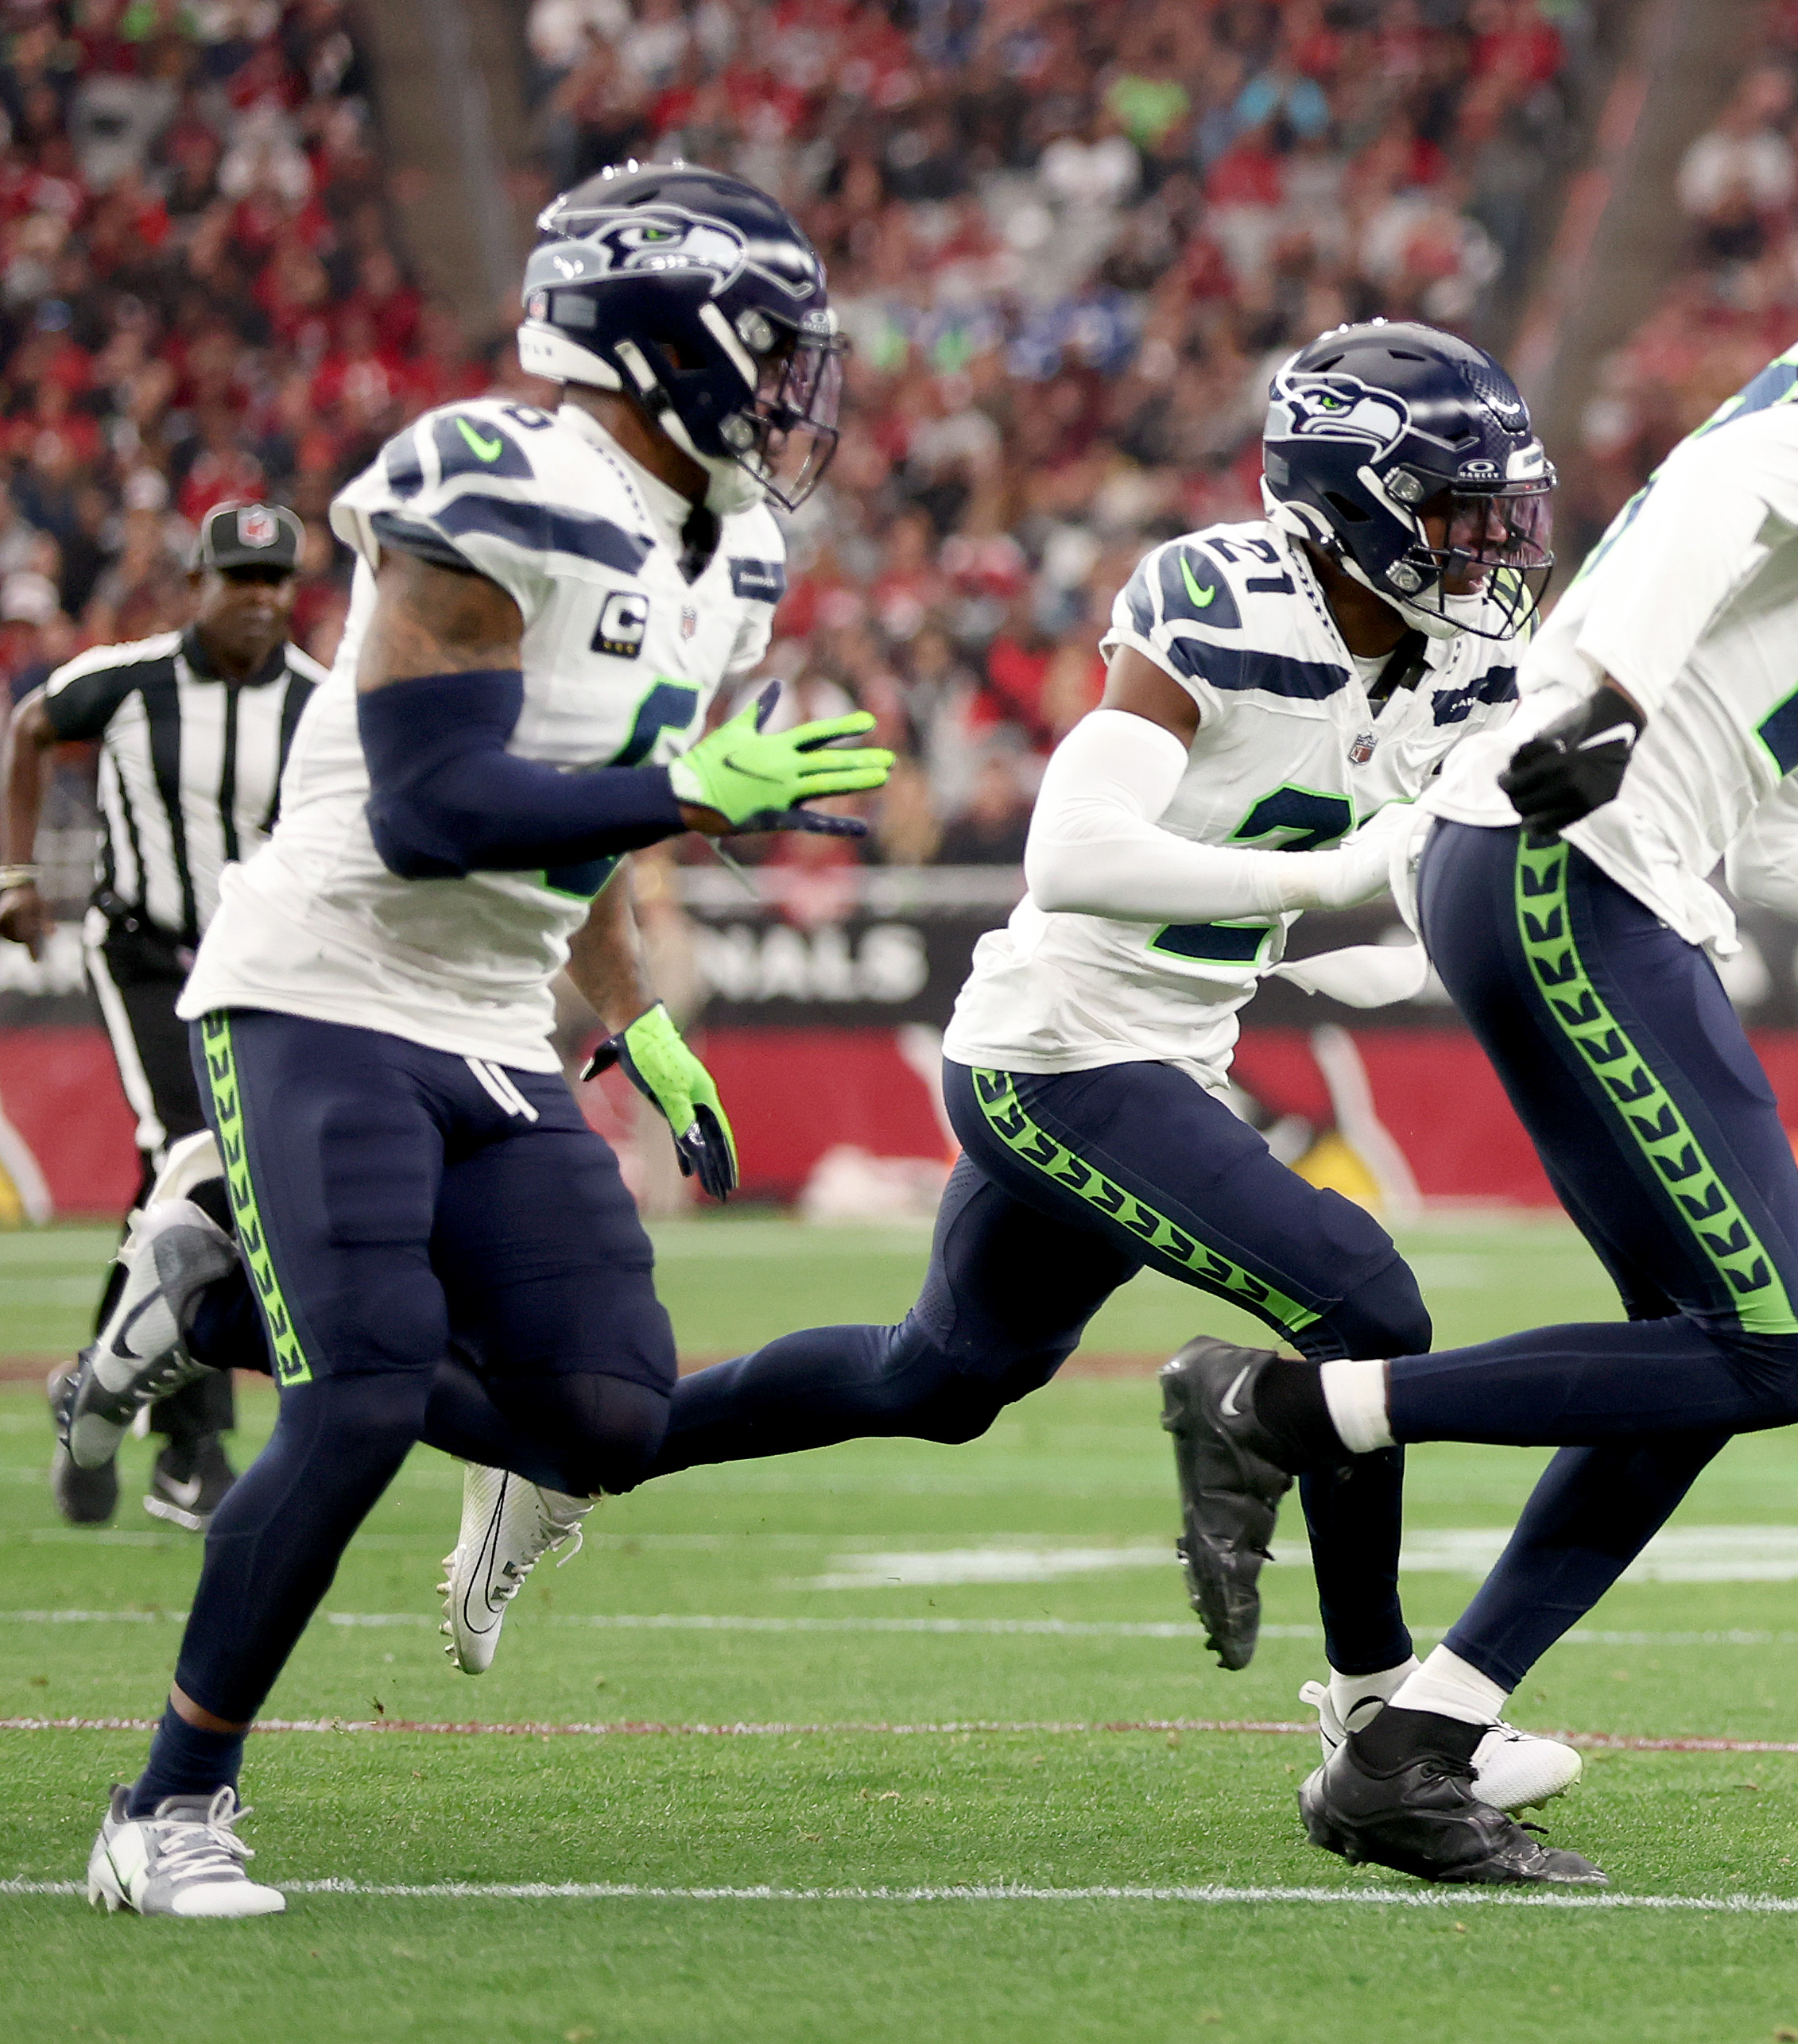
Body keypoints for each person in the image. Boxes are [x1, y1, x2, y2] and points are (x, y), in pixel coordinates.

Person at [1157, 154, 1798, 1884]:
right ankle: (1281, 1413)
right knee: (1779, 1344)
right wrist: (1609, 693)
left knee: (1703, 1356)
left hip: (1596, 864)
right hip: (1573, 862)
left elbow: (1785, 831)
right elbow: (1727, 486)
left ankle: (1417, 1745)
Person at [448, 321, 1583, 1818]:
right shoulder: (1223, 601)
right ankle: (1383, 1716)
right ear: (1345, 502)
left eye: (1502, 514)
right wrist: (1343, 878)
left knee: (940, 1379)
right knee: (1361, 1300)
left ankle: (565, 1456)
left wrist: (1359, 932)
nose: (1487, 549)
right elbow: (1075, 851)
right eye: (1454, 514)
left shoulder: (1456, 666)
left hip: (1162, 1048)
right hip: (1054, 1056)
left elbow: (1394, 858)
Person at [77, 161, 891, 1920]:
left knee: (603, 1413)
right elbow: (441, 805)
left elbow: (573, 814)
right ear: (654, 337)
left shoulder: (732, 545)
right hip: (321, 980)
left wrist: (638, 1010)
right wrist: (684, 790)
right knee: (361, 1393)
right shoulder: (491, 478)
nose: (787, 391)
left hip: (490, 1014)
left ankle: (209, 1284)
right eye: (763, 349)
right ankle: (168, 1807)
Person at [6, 504, 327, 1529]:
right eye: (240, 579)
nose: (260, 600)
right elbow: (31, 727)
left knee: (194, 1177)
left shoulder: (321, 705)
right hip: (144, 952)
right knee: (199, 1155)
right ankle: (194, 1449)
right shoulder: (134, 679)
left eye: (276, 581)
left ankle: (98, 1380)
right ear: (198, 582)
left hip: (261, 970)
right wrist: (17, 875)